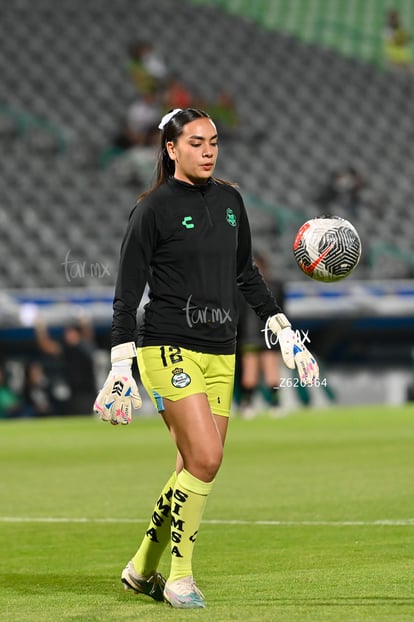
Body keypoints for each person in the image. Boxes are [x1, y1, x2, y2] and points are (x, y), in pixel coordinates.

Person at [93, 107, 319, 609]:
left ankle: (139, 568)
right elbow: (126, 293)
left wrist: (282, 329)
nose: (209, 150)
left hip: (222, 351)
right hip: (167, 345)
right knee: (208, 459)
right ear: (171, 149)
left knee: (191, 465)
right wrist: (118, 365)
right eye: (196, 142)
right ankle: (179, 578)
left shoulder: (232, 201)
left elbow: (246, 275)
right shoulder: (151, 209)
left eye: (213, 141)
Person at [236, 252, 286, 418]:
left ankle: (250, 405)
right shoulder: (275, 286)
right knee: (259, 372)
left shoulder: (241, 286)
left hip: (253, 335)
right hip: (265, 334)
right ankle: (272, 405)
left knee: (259, 372)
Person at [35, 316, 97, 416]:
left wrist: (85, 323)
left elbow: (88, 336)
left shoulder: (85, 346)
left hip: (87, 392)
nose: (66, 335)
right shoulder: (67, 348)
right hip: (74, 393)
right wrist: (41, 329)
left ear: (76, 333)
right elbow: (46, 346)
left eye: (69, 332)